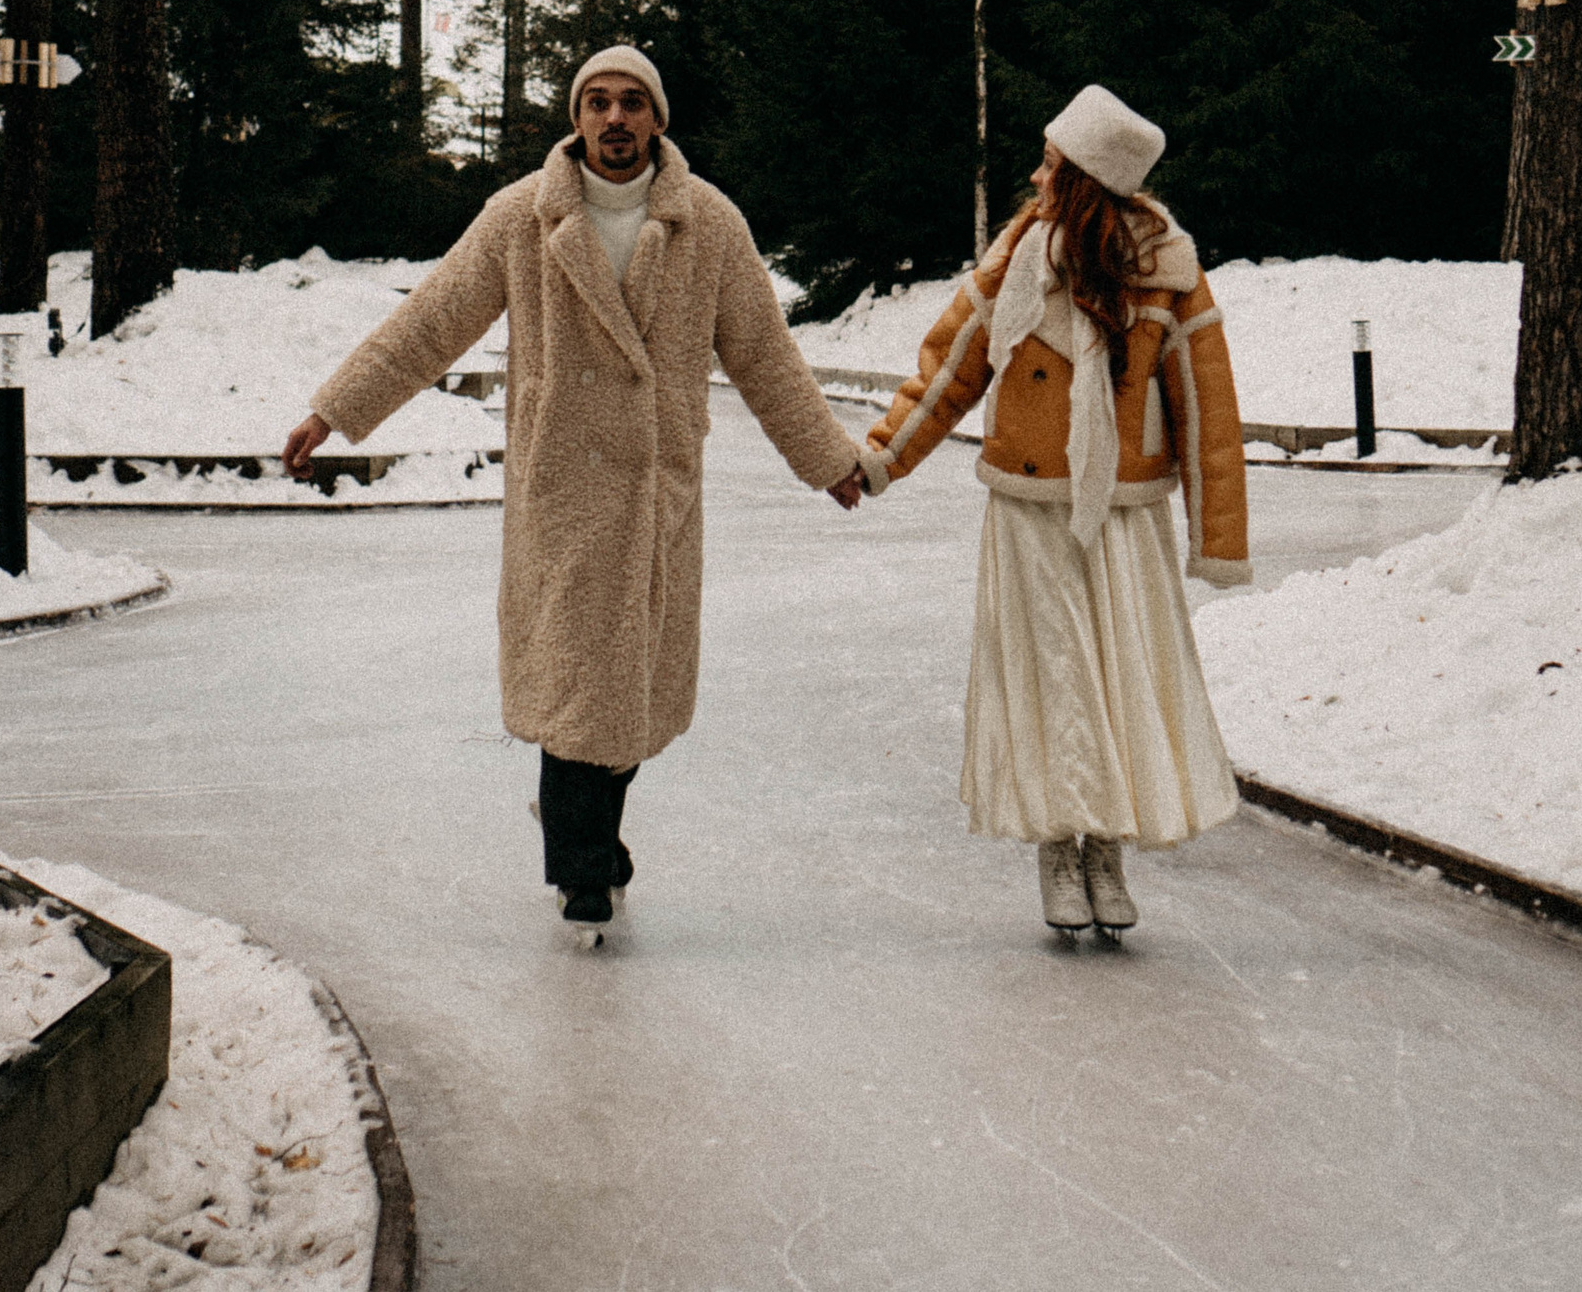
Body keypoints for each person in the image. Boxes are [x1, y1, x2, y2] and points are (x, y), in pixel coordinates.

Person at [283, 46, 870, 945]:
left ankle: (590, 833)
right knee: (573, 688)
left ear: (657, 120)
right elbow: (435, 318)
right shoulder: (524, 216)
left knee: (625, 701)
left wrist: (825, 455)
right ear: (577, 118)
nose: (615, 119)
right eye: (597, 102)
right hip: (560, 493)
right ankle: (582, 873)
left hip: (654, 493)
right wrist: (336, 407)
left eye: (632, 103)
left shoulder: (707, 223)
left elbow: (760, 350)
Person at [852, 85, 1251, 939]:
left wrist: (1217, 536)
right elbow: (952, 366)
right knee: (1054, 676)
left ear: (1086, 178)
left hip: (1125, 507)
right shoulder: (1017, 259)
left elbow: (1205, 407)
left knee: (1117, 673)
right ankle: (1057, 849)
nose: (1036, 175)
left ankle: (1106, 844)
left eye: (1052, 164)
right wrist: (883, 457)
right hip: (1029, 502)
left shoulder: (1168, 268)